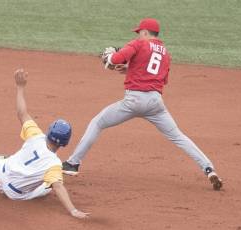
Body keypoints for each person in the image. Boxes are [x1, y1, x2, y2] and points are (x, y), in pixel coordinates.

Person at [62, 18, 223, 190]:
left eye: (139, 32)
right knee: (178, 137)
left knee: (97, 122)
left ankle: (73, 163)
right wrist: (130, 69)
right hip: (155, 104)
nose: (138, 35)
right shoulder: (166, 54)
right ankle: (209, 169)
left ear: (145, 32)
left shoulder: (139, 44)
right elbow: (159, 78)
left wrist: (109, 56)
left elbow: (116, 58)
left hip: (134, 101)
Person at [0, 69, 90, 218]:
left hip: (2, 171)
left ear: (49, 131)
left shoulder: (35, 136)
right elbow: (58, 187)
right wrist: (73, 210)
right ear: (65, 143)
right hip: (15, 194)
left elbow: (22, 113)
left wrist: (20, 87)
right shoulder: (54, 164)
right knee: (49, 185)